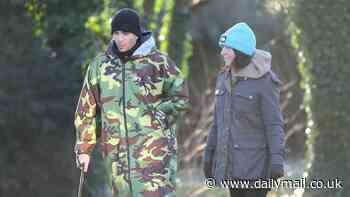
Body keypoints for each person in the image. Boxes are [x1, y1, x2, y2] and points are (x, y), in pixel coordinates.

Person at [74, 8, 189, 197]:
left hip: (154, 156)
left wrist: (159, 116)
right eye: (116, 33)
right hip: (116, 158)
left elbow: (181, 96)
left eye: (125, 33)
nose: (120, 38)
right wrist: (84, 149)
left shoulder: (158, 62)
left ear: (136, 34)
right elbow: (87, 108)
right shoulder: (100, 66)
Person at [203, 22, 285, 197]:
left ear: (240, 51)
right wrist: (209, 155)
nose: (222, 52)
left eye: (227, 48)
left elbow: (274, 124)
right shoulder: (224, 78)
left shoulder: (264, 81)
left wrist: (277, 160)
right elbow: (217, 123)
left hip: (258, 168)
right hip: (233, 168)